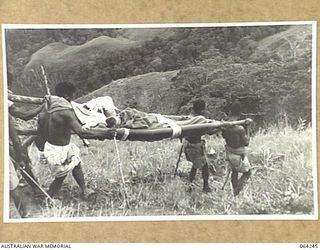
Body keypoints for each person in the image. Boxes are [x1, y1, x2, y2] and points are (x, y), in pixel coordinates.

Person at [36, 81, 115, 200]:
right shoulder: (65, 112)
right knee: (60, 177)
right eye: (71, 97)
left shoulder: (44, 111)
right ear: (68, 96)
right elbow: (81, 132)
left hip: (56, 147)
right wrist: (104, 132)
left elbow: (40, 135)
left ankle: (84, 190)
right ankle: (49, 197)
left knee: (76, 164)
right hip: (57, 151)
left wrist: (42, 151)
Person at [222, 100, 252, 196]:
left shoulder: (225, 126)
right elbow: (246, 142)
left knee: (234, 172)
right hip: (238, 154)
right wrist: (247, 128)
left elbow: (225, 136)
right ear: (240, 112)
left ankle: (235, 193)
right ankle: (237, 191)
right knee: (247, 173)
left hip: (229, 152)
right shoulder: (240, 128)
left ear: (230, 111)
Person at [183, 99, 212, 193]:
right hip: (194, 146)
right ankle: (205, 187)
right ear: (202, 110)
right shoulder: (200, 120)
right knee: (205, 166)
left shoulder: (190, 118)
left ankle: (190, 185)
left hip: (189, 146)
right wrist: (221, 127)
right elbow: (209, 132)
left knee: (195, 166)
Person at [8, 114, 29, 218]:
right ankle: (24, 215)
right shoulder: (5, 116)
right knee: (14, 187)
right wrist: (19, 160)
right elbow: (15, 141)